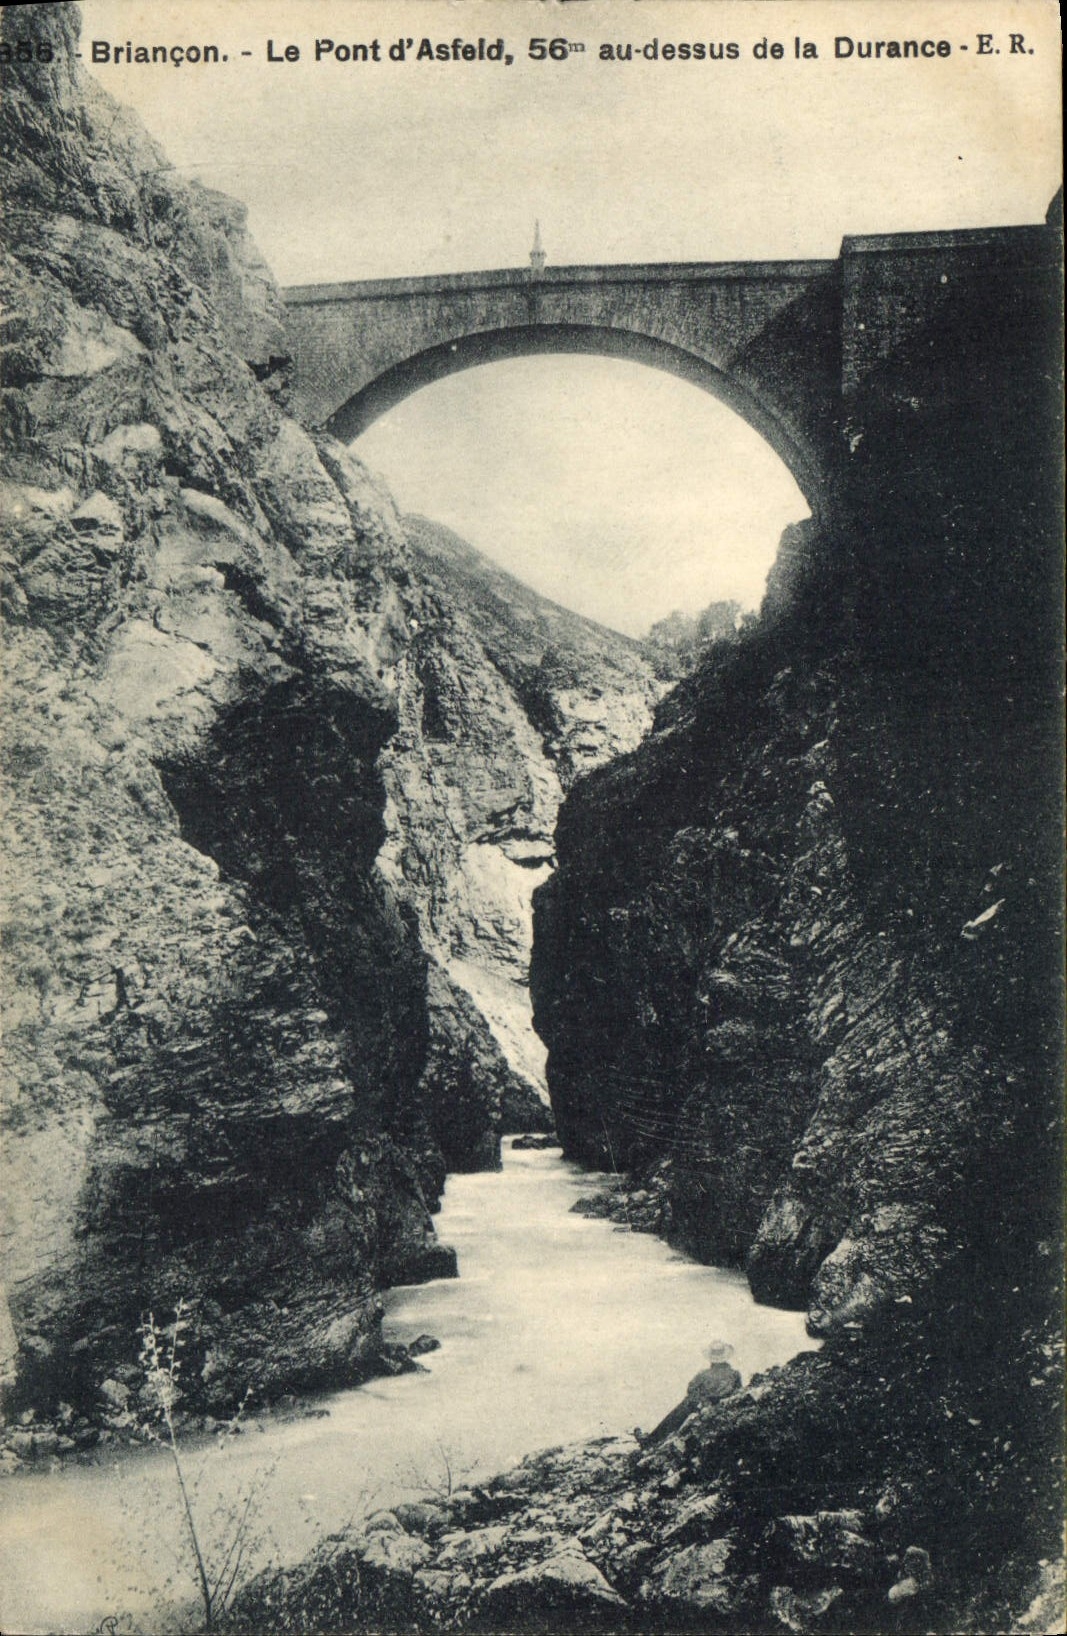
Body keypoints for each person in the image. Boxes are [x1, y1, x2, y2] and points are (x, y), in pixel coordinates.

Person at [640, 1341, 742, 1445]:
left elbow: (691, 1389)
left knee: (681, 1409)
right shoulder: (735, 1374)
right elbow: (738, 1392)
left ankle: (652, 1439)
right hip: (722, 1406)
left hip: (703, 1405)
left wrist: (703, 1402)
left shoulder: (704, 1374)